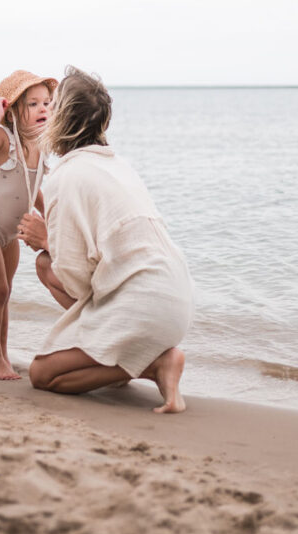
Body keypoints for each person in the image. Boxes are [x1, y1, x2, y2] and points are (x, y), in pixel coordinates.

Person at [17, 67, 194, 412]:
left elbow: (77, 279)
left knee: (42, 375)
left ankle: (153, 365)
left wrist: (46, 241)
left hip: (144, 304)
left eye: (50, 106)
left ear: (61, 119)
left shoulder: (67, 177)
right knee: (45, 266)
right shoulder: (118, 165)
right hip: (177, 298)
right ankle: (119, 354)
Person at [0, 69, 58, 381]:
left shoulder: (40, 146)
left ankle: (0, 353)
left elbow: (34, 188)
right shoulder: (5, 139)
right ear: (13, 111)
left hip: (8, 235)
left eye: (46, 102)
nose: (43, 108)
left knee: (6, 294)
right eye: (32, 104)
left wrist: (48, 215)